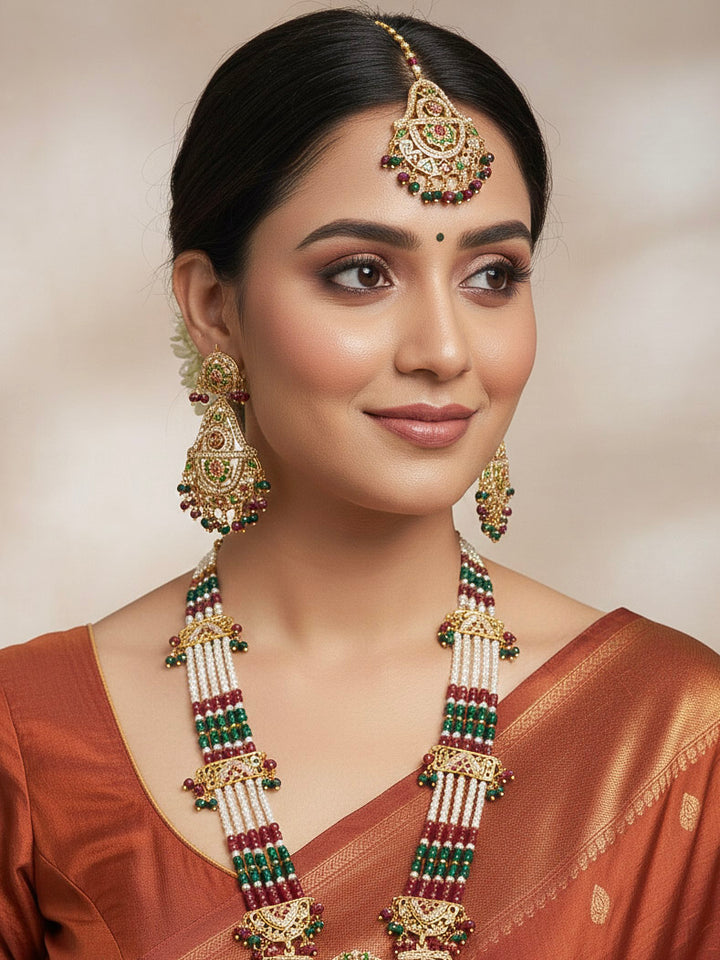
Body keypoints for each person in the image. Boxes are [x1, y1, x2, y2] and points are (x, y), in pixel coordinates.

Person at [0, 8, 717, 960]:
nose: (446, 350)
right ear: (214, 307)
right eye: (363, 272)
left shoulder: (667, 729)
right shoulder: (34, 734)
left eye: (493, 274)